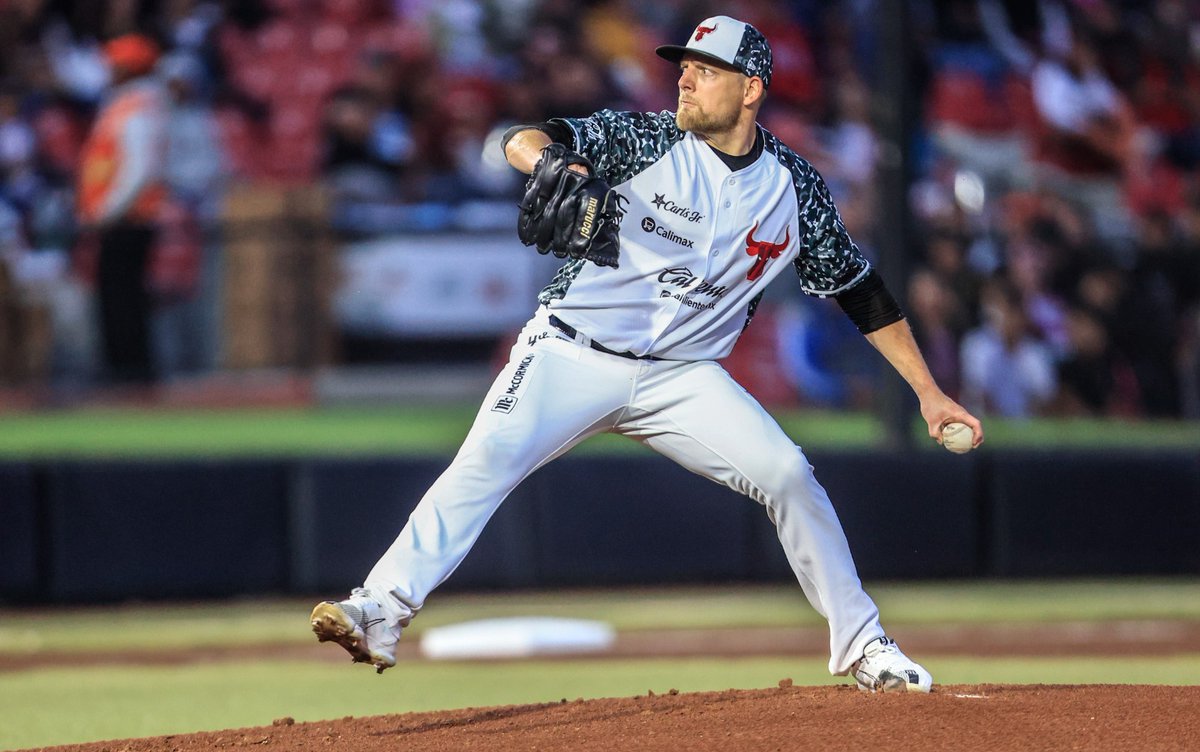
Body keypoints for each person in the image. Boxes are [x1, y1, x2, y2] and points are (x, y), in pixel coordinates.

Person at [311, 16, 984, 693]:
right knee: (484, 463)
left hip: (683, 376)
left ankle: (866, 647)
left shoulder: (793, 187)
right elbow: (527, 137)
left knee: (786, 475)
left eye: (706, 69)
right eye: (683, 64)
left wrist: (928, 393)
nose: (685, 76)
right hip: (572, 351)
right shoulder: (647, 139)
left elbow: (858, 289)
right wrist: (551, 160)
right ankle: (379, 611)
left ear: (751, 89)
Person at [76, 33, 168, 385]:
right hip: (124, 217)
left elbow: (139, 169)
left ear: (129, 67)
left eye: (114, 64)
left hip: (128, 219)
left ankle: (128, 374)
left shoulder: (137, 105)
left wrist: (107, 211)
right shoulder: (131, 102)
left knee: (122, 299)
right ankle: (125, 368)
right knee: (118, 296)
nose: (107, 69)